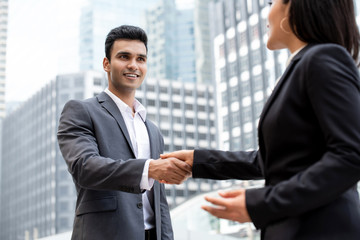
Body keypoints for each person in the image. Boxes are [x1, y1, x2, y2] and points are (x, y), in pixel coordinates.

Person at [161, 0, 360, 239]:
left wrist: (261, 204)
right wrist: (198, 161)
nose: (268, 12)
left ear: (293, 7)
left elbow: (351, 155)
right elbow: (274, 161)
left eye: (272, 2)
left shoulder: (322, 58)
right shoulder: (303, 65)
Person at [57, 25, 191, 240]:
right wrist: (149, 169)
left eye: (141, 59)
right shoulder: (81, 111)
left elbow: (159, 201)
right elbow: (85, 168)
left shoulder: (153, 129)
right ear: (106, 64)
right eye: (124, 57)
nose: (133, 65)